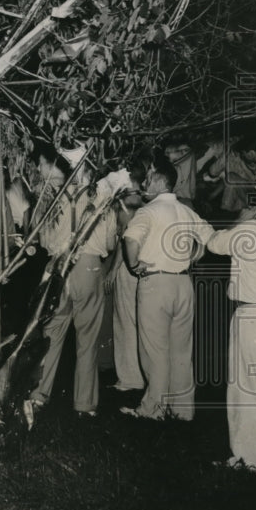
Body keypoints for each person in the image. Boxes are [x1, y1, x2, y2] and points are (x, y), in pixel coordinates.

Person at [121, 157, 214, 421]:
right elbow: (207, 237)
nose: (145, 183)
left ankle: (153, 410)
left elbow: (130, 239)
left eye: (149, 179)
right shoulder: (186, 211)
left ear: (161, 181)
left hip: (155, 283)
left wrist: (135, 264)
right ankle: (183, 411)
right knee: (181, 351)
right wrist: (193, 256)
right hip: (183, 284)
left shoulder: (147, 212)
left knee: (155, 351)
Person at [29, 166, 118, 417]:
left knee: (51, 332)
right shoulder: (104, 199)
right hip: (89, 269)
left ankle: (38, 395)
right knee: (88, 338)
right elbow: (110, 244)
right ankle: (85, 404)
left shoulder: (54, 199)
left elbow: (43, 241)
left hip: (58, 266)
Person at [206, 182, 256, 473]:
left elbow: (214, 243)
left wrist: (241, 221)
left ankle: (249, 459)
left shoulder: (253, 229)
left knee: (248, 390)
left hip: (253, 315)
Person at [110, 156, 148, 393]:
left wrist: (112, 271)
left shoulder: (126, 203)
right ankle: (142, 375)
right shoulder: (144, 202)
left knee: (125, 322)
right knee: (139, 322)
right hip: (144, 264)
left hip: (127, 265)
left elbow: (125, 240)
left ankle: (129, 378)